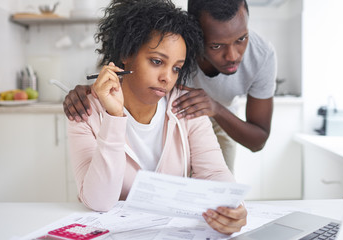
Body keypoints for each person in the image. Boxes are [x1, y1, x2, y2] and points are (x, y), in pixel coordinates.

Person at [68, 0, 247, 235]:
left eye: (176, 68)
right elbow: (99, 202)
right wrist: (114, 116)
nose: (167, 78)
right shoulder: (85, 111)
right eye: (157, 61)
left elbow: (213, 172)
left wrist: (233, 207)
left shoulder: (185, 106)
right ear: (126, 54)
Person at [63, 0, 276, 173]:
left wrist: (216, 108)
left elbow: (258, 141)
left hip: (222, 117)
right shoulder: (176, 42)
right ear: (196, 37)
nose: (233, 55)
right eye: (216, 45)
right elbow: (127, 70)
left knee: (215, 182)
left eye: (242, 38)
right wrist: (89, 92)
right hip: (178, 113)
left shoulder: (262, 55)